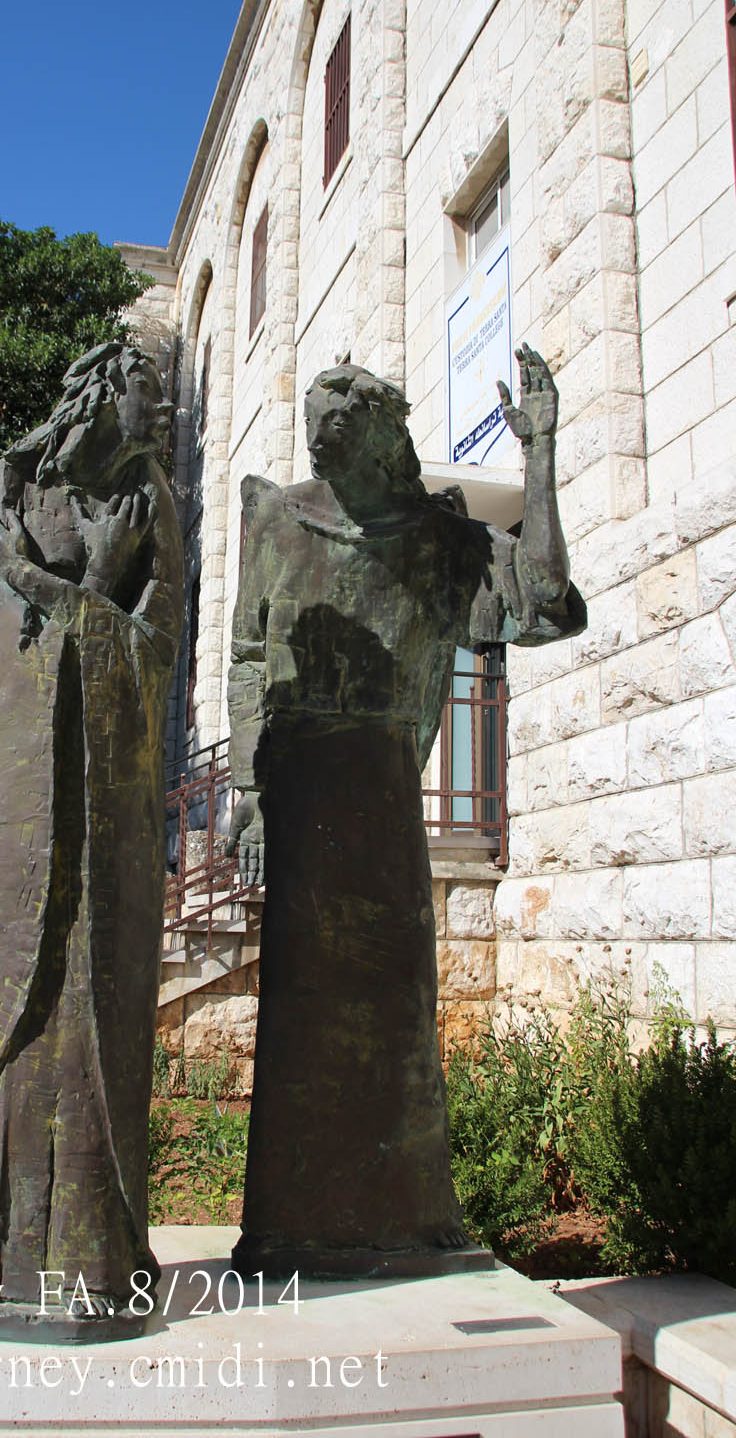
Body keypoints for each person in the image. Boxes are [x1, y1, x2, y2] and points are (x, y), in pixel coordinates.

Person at [226, 346, 586, 1277]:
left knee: (396, 1010)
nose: (322, 439)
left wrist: (541, 456)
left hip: (383, 797)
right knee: (301, 1018)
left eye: (340, 424)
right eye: (315, 425)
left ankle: (405, 1219)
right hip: (299, 789)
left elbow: (546, 606)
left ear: (383, 436)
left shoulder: (440, 539)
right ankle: (291, 1227)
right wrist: (249, 792)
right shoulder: (275, 518)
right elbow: (249, 659)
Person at [0, 343, 183, 1339]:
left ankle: (88, 1255)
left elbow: (157, 648)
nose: (162, 408)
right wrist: (98, 580)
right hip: (21, 783)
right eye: (148, 390)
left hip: (109, 795)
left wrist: (85, 587)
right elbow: (13, 640)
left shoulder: (154, 501)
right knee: (3, 998)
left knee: (92, 1001)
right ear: (104, 393)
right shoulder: (11, 483)